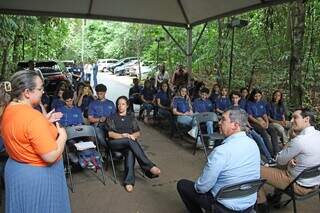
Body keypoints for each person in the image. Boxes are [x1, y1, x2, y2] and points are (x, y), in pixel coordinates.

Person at [0, 70, 70, 213]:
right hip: (37, 178)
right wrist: (63, 136)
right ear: (27, 92)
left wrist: (44, 121)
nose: (43, 92)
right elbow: (50, 156)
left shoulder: (9, 109)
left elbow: (23, 131)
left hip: (16, 171)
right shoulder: (32, 117)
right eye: (40, 88)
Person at [177, 109, 260, 213]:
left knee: (183, 185)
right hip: (248, 205)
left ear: (235, 125)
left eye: (223, 120)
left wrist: (199, 186)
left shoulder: (221, 151)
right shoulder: (253, 144)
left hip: (224, 207)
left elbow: (202, 188)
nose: (219, 122)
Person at [257, 108, 320, 213]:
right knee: (282, 165)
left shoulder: (299, 140)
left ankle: (262, 206)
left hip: (298, 185)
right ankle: (276, 198)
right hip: (315, 183)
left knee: (255, 170)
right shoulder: (318, 134)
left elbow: (279, 160)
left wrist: (291, 139)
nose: (291, 121)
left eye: (295, 117)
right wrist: (291, 157)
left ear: (306, 119)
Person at [106, 96, 161, 192]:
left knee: (130, 151)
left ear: (127, 105)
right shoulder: (112, 117)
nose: (120, 106)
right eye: (119, 104)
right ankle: (148, 166)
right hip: (114, 143)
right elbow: (111, 134)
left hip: (128, 144)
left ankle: (129, 182)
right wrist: (125, 136)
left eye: (123, 104)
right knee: (129, 140)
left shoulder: (131, 117)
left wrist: (131, 136)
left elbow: (137, 133)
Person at [246, 88, 279, 158]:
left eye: (259, 96)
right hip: (253, 123)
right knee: (263, 131)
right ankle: (271, 153)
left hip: (263, 121)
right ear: (252, 96)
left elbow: (264, 114)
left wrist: (267, 122)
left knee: (272, 130)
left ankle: (277, 152)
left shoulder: (261, 103)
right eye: (255, 96)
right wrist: (259, 123)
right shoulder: (249, 103)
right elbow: (250, 117)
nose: (257, 98)